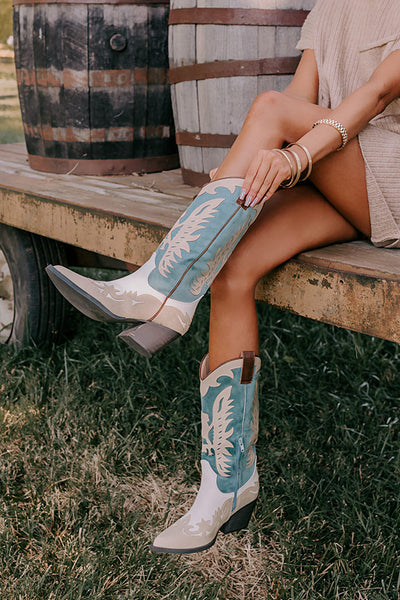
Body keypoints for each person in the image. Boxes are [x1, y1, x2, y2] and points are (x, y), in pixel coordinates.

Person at [46, 0, 400, 554]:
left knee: (268, 108)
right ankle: (227, 485)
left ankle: (160, 289)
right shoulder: (333, 6)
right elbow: (301, 97)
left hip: (389, 176)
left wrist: (291, 157)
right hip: (340, 174)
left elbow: (377, 94)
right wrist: (253, 160)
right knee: (232, 266)